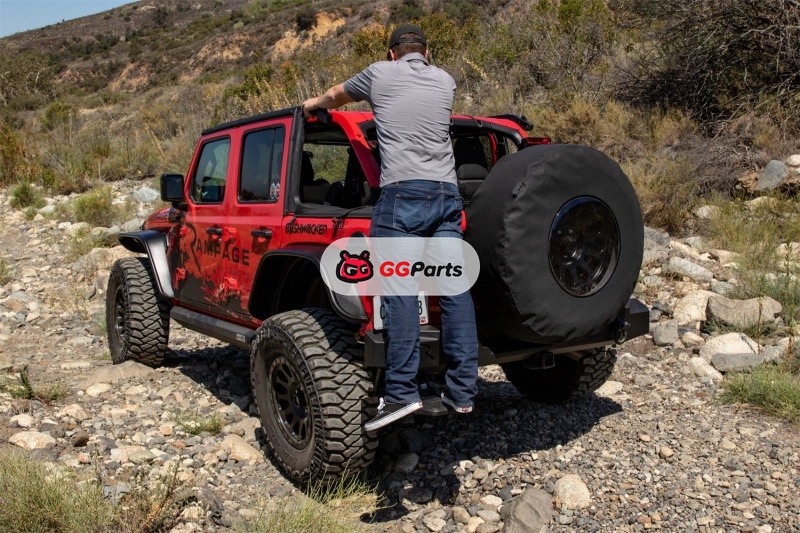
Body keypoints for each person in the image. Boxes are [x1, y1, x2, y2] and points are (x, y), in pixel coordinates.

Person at [302, 24, 478, 432]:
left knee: (400, 291)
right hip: (446, 195)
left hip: (402, 196)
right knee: (455, 289)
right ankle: (463, 391)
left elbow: (335, 96)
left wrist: (312, 103)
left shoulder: (380, 72)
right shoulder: (445, 80)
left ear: (392, 52)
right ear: (427, 52)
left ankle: (401, 392)